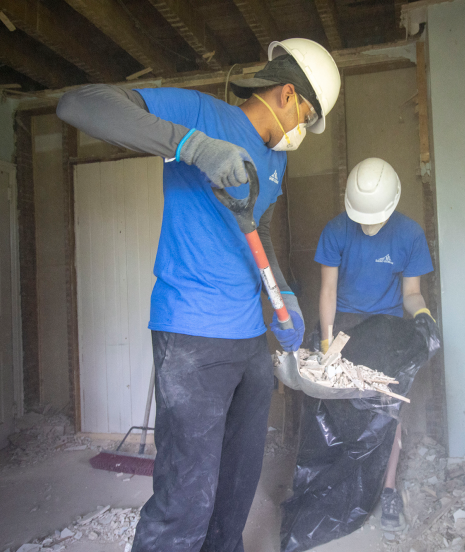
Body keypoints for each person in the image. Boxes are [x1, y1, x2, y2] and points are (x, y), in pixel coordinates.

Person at [57, 39, 340, 552]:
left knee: (235, 488)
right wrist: (191, 145)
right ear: (286, 93)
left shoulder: (277, 162)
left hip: (250, 340)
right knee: (186, 496)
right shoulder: (199, 113)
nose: (305, 130)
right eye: (308, 115)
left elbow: (260, 231)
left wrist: (286, 298)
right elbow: (79, 104)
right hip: (191, 334)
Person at [315, 157, 436, 532]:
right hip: (346, 324)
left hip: (386, 325)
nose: (368, 226)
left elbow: (412, 294)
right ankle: (340, 484)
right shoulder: (335, 231)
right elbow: (329, 290)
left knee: (387, 408)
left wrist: (425, 319)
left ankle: (386, 489)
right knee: (337, 406)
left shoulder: (409, 234)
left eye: (375, 218)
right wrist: (325, 344)